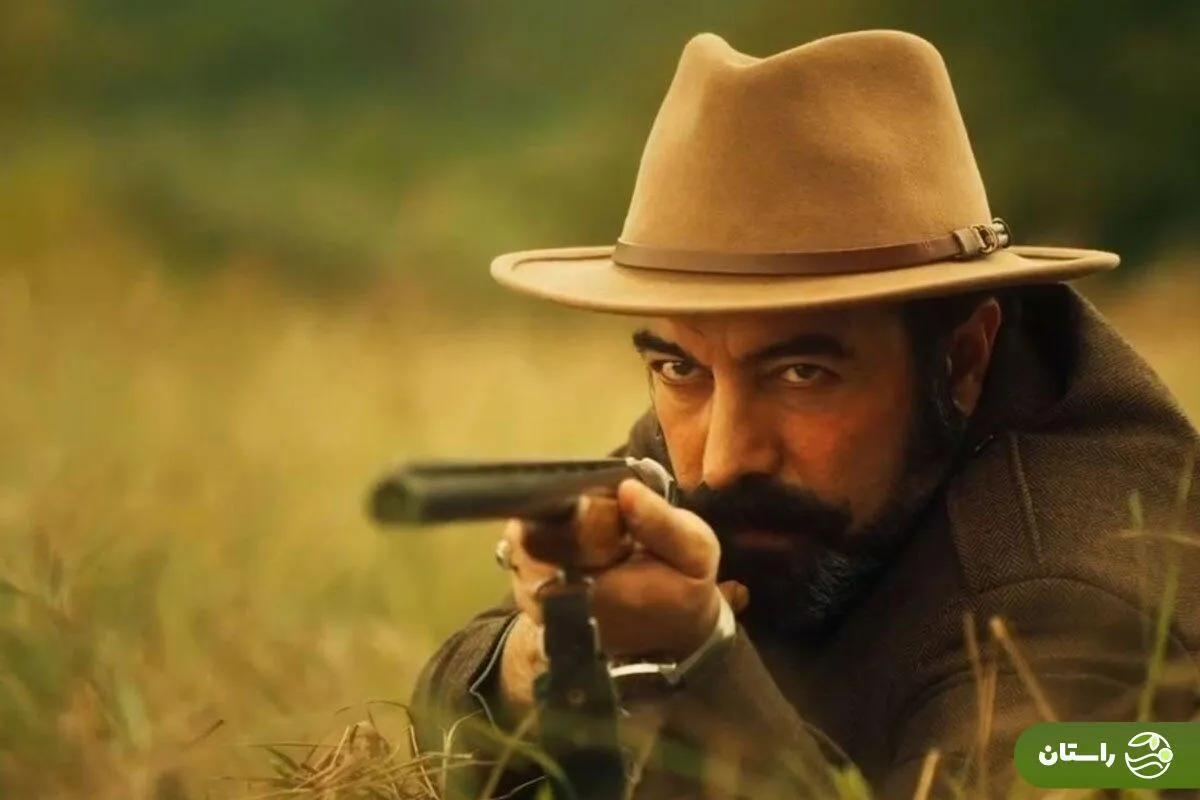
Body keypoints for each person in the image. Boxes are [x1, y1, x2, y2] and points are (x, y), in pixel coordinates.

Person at [408, 29, 1200, 799]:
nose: (723, 459)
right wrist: (539, 657)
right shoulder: (746, 449)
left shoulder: (1065, 590)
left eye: (801, 373)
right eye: (680, 368)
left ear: (961, 360)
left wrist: (696, 662)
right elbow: (449, 722)